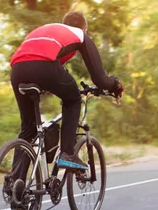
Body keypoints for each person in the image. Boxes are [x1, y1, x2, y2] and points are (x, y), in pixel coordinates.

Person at [9, 11, 124, 173]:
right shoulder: (80, 34)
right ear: (84, 29)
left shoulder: (47, 29)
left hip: (17, 69)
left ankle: (16, 185)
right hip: (43, 65)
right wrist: (116, 85)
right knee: (73, 99)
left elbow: (37, 59)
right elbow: (100, 79)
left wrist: (47, 84)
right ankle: (67, 153)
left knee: (28, 128)